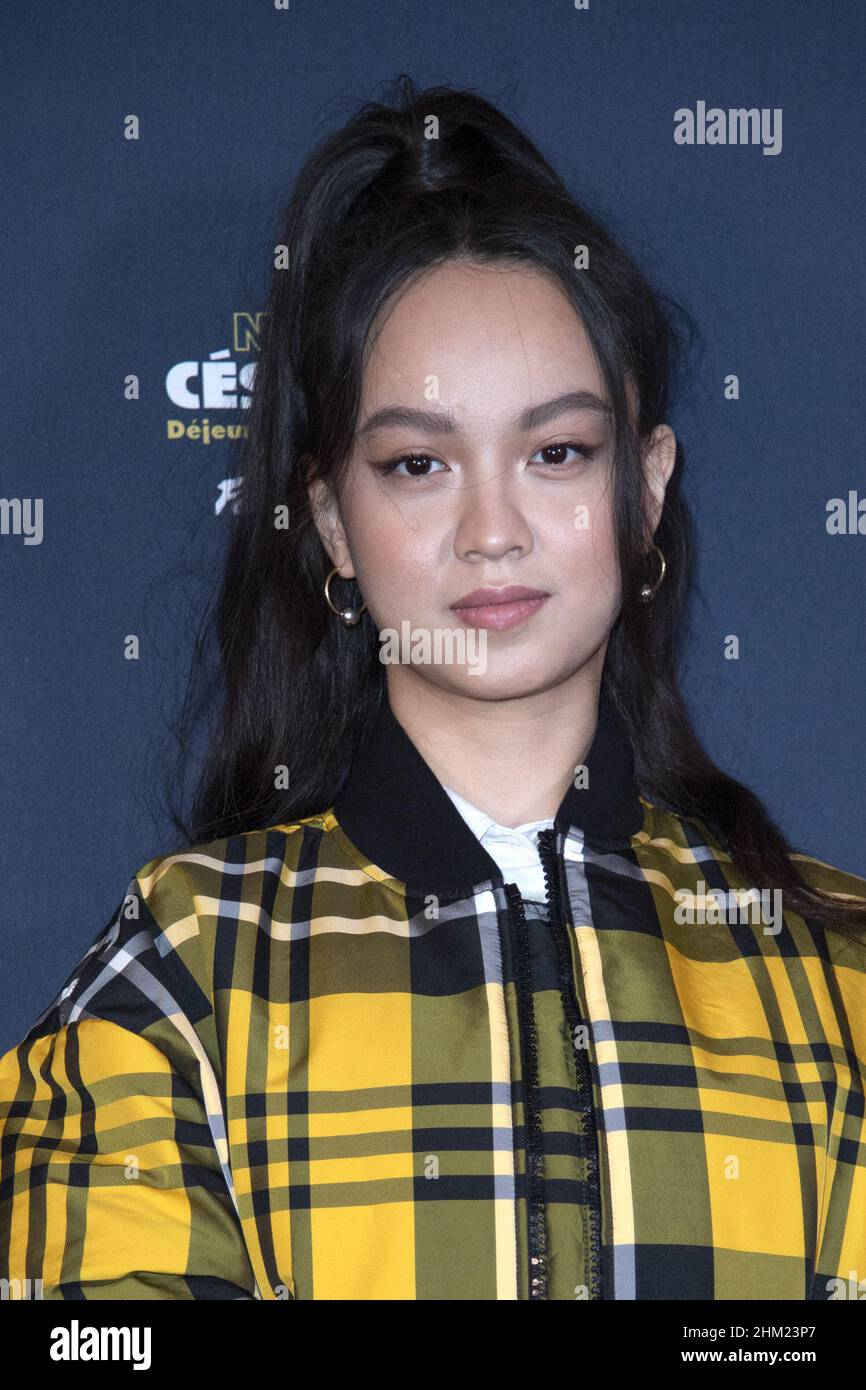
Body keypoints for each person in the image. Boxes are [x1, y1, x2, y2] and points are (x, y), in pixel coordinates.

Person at [2, 76, 865, 1303]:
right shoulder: (182, 972)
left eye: (556, 450)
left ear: (648, 484)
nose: (491, 530)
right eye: (416, 464)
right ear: (331, 524)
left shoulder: (835, 968)